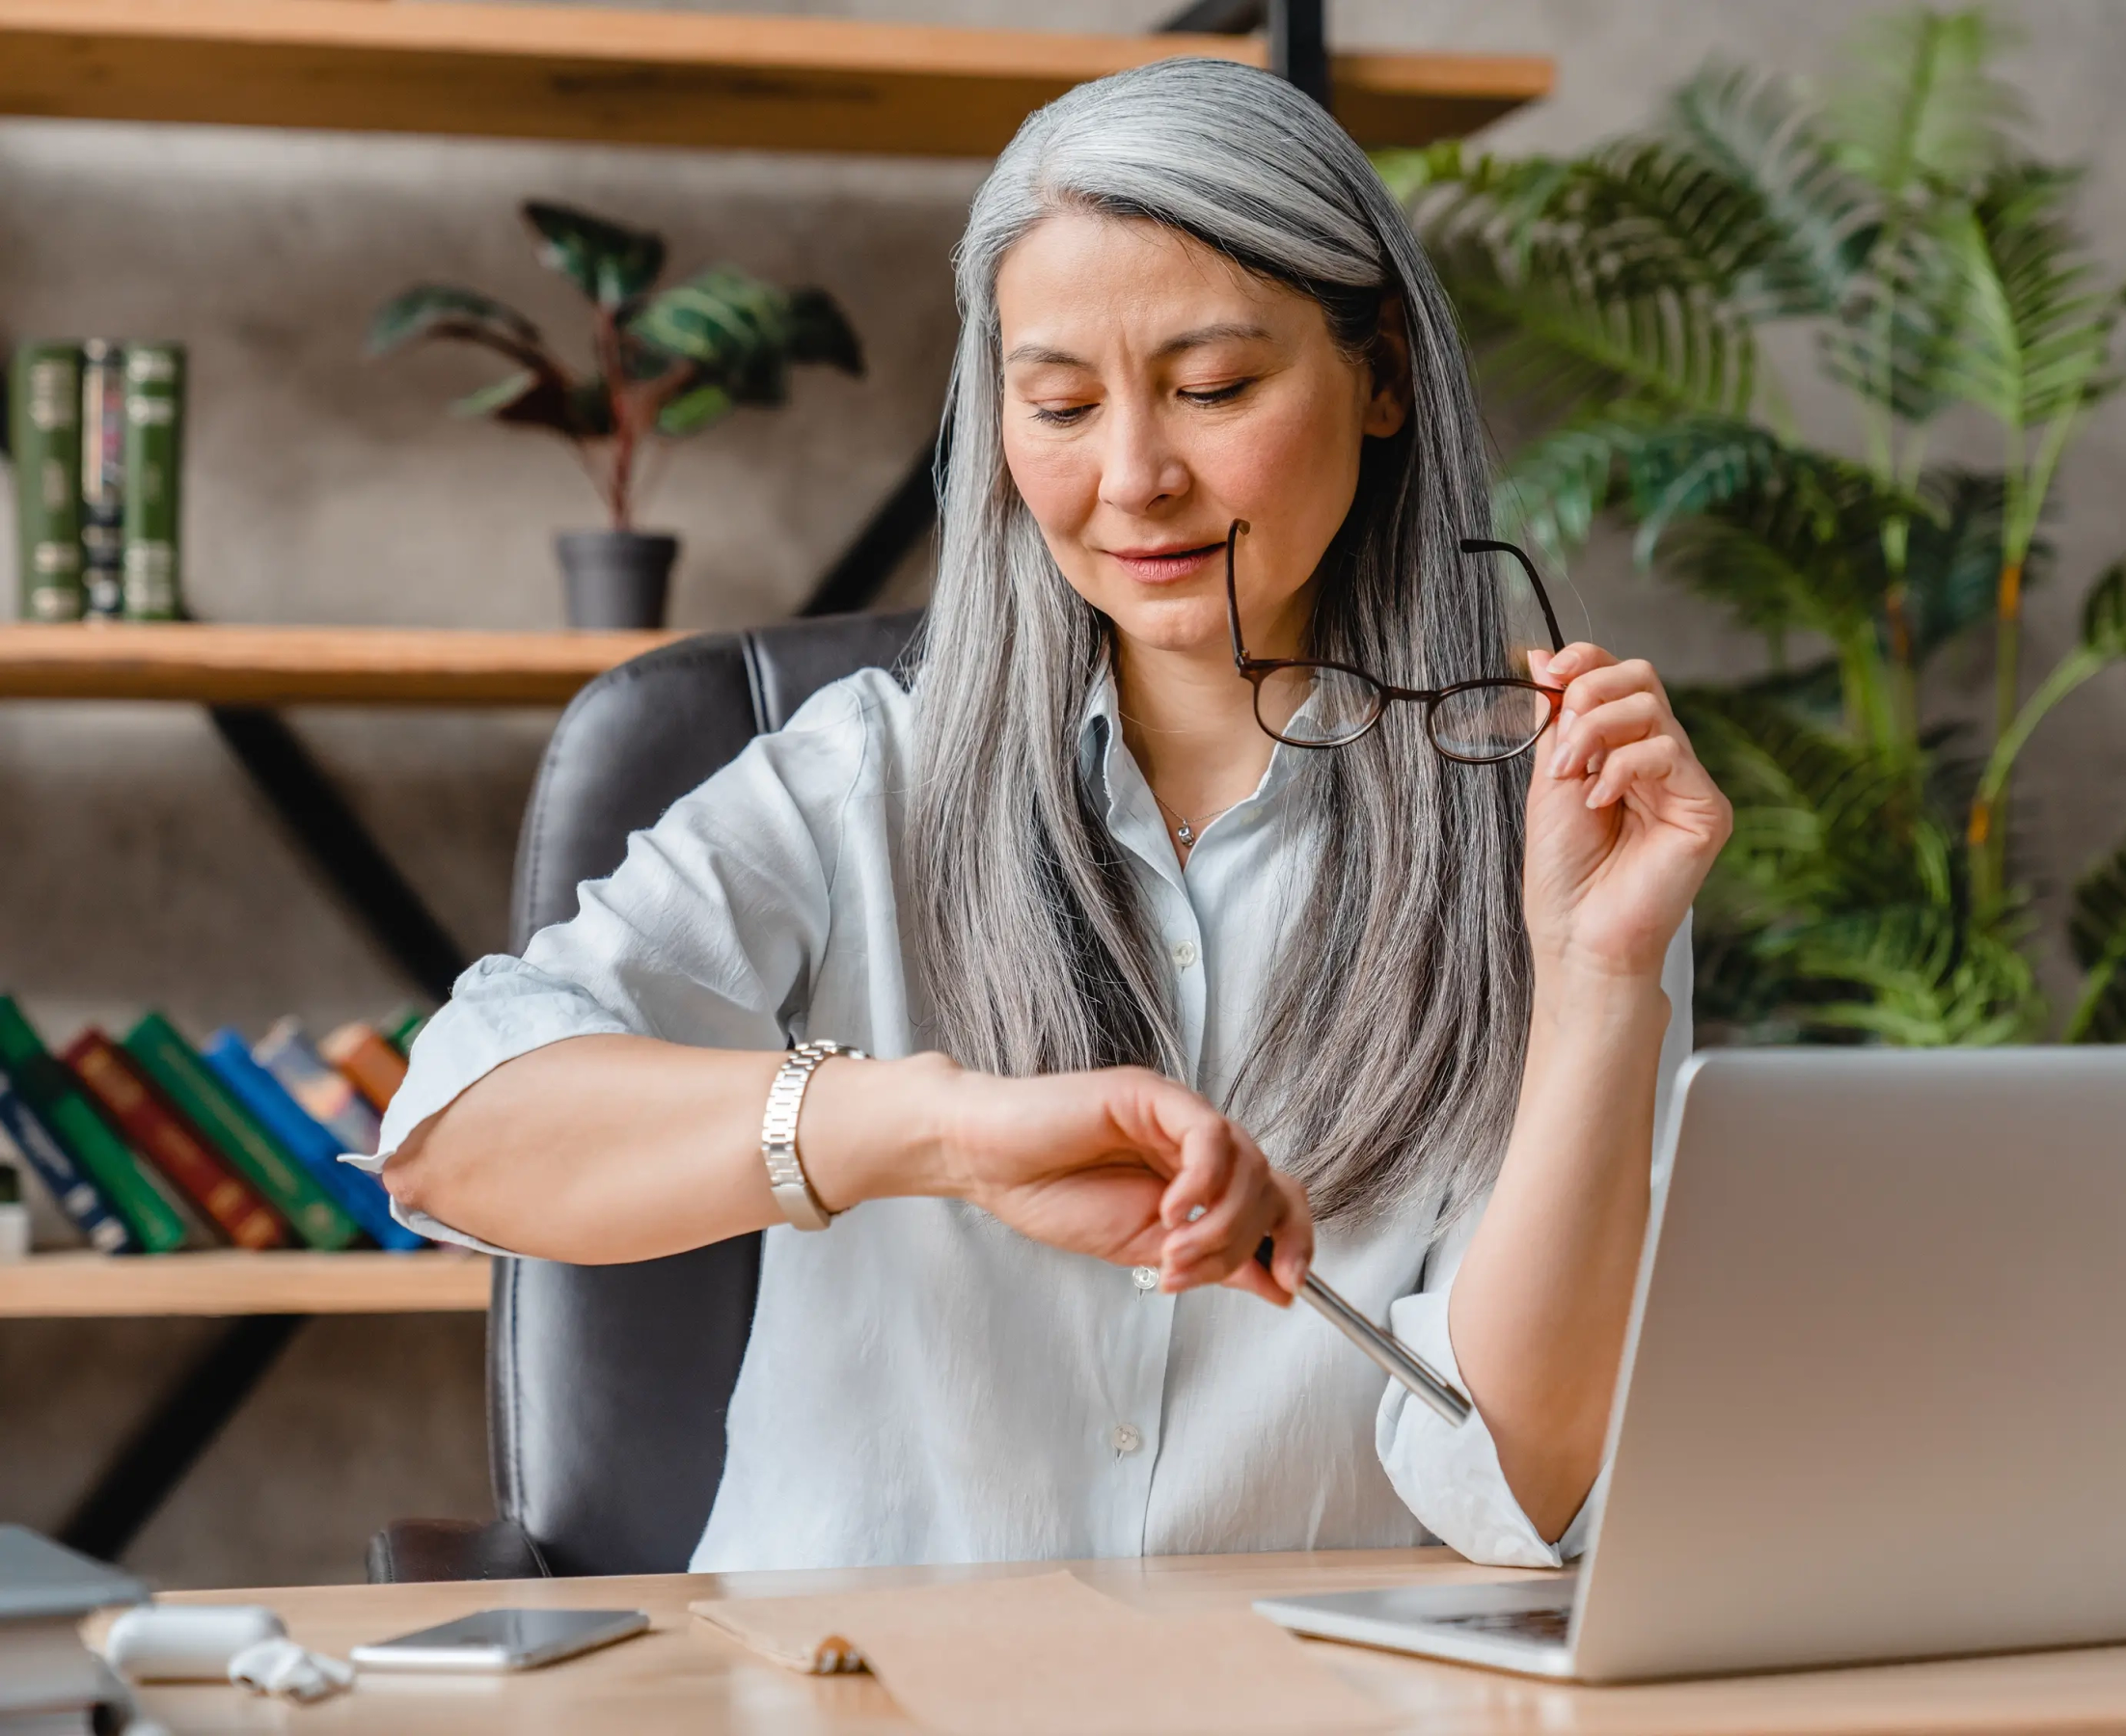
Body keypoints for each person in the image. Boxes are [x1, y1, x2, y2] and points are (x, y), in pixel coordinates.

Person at [367, 57, 1731, 1574]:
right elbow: (449, 1138)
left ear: (1385, 373)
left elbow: (1516, 1486)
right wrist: (929, 1131)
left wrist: (1601, 979)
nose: (1133, 479)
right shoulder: (855, 781)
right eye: (1060, 404)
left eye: (1215, 390)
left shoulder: (1553, 841)